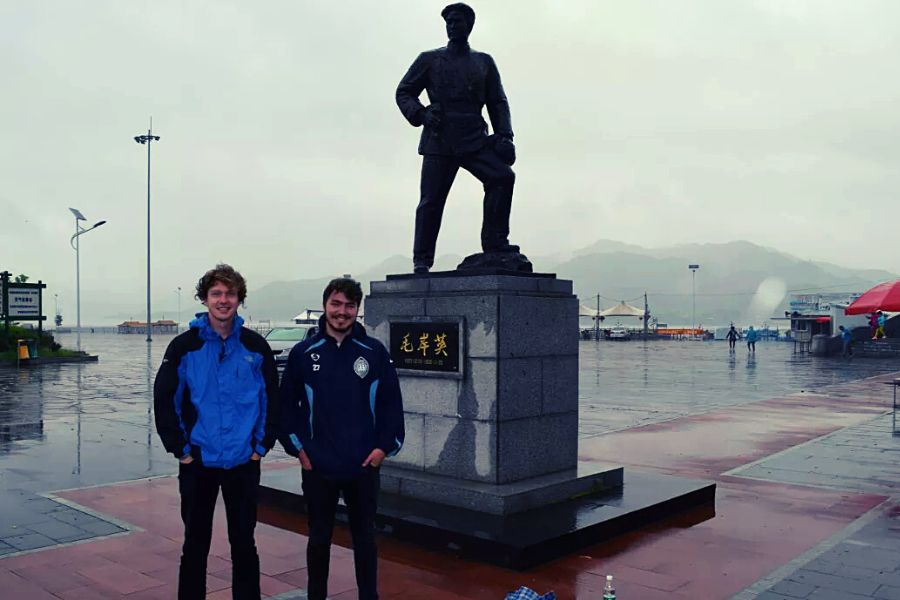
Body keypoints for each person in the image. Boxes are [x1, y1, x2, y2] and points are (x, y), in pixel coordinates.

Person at [154, 264, 279, 600]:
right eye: (217, 293)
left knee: (244, 542)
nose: (224, 300)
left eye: (231, 293)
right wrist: (180, 449)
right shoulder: (184, 347)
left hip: (243, 461)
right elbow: (165, 399)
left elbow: (271, 398)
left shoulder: (255, 347)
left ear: (240, 299)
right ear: (205, 298)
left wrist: (261, 446)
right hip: (198, 461)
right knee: (195, 542)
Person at [279, 277, 405, 600]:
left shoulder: (374, 353)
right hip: (318, 467)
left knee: (365, 540)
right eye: (336, 304)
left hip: (362, 467)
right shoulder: (303, 353)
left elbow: (392, 405)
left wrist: (382, 449)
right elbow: (285, 408)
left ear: (357, 310)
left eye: (350, 306)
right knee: (319, 539)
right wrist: (300, 451)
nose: (342, 312)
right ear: (325, 306)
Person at [396, 2, 518, 274]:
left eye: (458, 22)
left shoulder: (483, 61)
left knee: (502, 177)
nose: (452, 26)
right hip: (439, 138)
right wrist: (422, 114)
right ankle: (422, 260)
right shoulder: (429, 59)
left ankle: (495, 243)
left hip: (474, 137)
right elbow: (404, 92)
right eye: (449, 22)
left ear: (469, 26)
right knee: (431, 200)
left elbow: (497, 102)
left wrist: (505, 135)